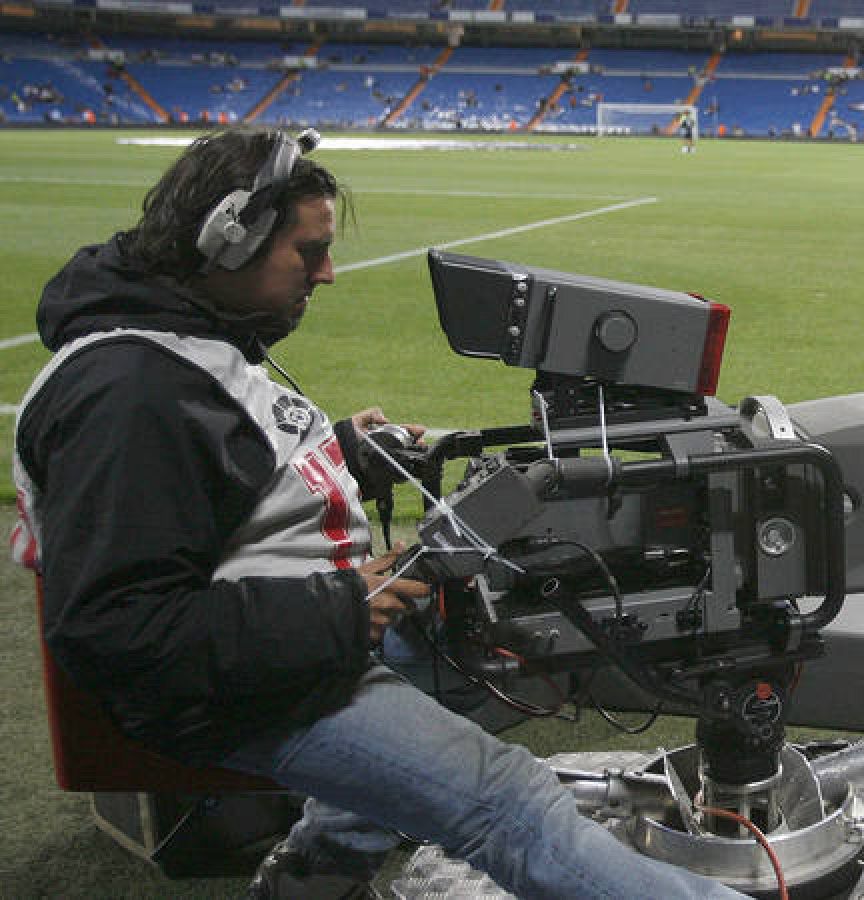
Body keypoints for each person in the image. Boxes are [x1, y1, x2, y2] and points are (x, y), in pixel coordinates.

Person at [9, 127, 746, 899]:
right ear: (228, 243)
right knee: (510, 804)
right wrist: (341, 608)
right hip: (235, 693)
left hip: (288, 641)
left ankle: (314, 877)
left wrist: (347, 452)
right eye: (308, 251)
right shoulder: (132, 396)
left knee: (512, 643)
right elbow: (121, 630)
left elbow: (209, 481)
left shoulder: (187, 341)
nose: (326, 274)